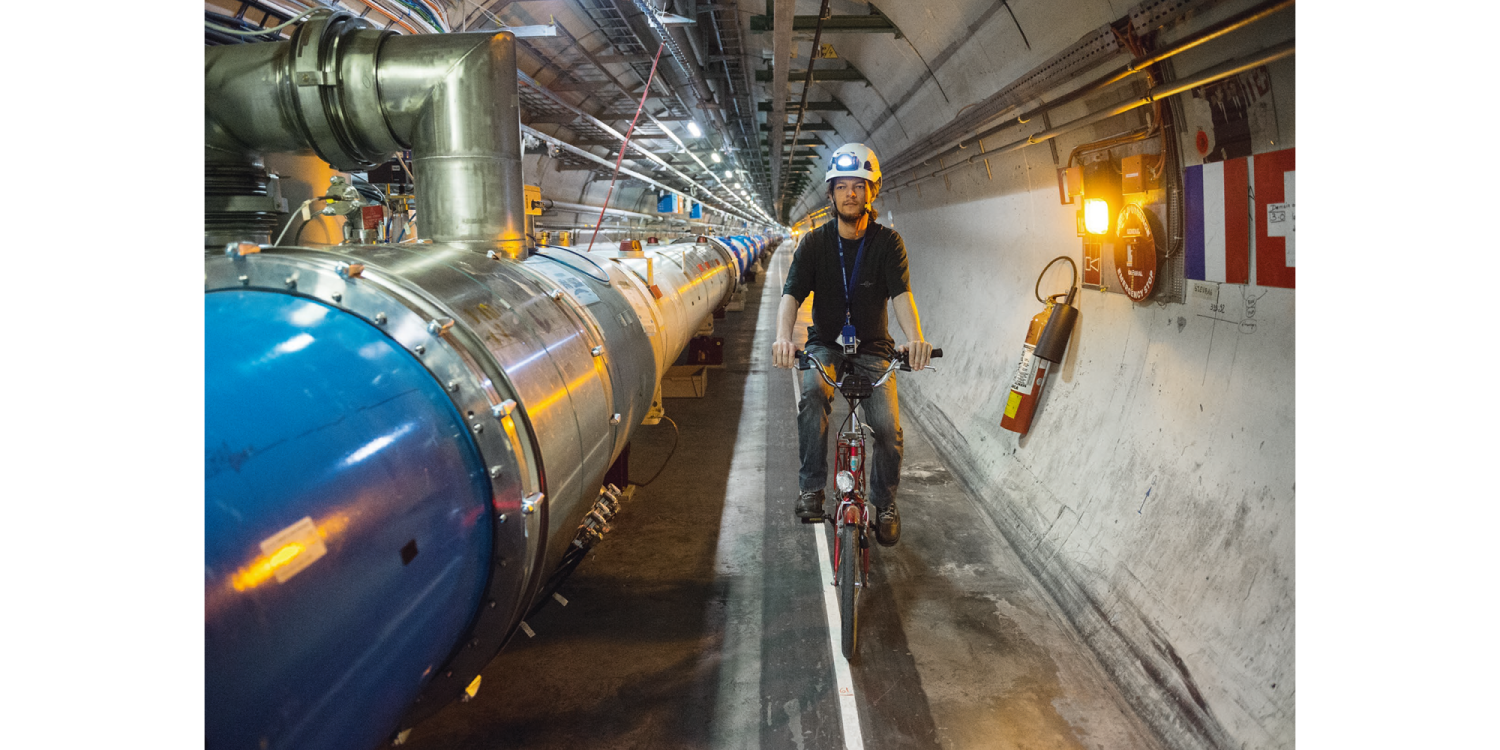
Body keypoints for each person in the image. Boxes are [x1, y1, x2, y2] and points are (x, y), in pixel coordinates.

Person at [771, 143, 932, 547]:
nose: (849, 194)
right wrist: (782, 338)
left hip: (874, 350)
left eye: (858, 187)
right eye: (841, 187)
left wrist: (915, 339)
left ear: (871, 192)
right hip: (825, 345)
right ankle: (812, 488)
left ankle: (885, 502)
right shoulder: (813, 244)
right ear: (830, 194)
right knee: (811, 394)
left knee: (888, 429)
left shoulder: (887, 243)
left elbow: (901, 297)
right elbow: (790, 296)